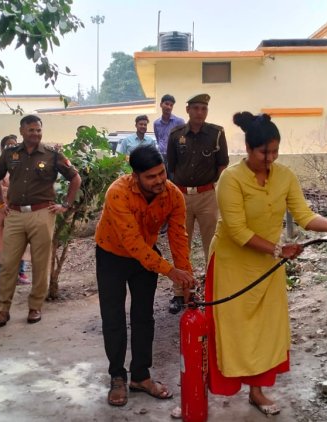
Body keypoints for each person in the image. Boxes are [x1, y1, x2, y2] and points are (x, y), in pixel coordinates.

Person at [206, 112, 327, 416]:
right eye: (264, 152)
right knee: (232, 330)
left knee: (265, 329)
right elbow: (237, 231)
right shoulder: (230, 179)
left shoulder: (284, 175)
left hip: (268, 264)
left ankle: (256, 392)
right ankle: (202, 391)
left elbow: (304, 215)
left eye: (275, 151)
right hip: (232, 265)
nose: (270, 158)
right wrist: (278, 249)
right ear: (249, 149)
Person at [95, 145, 195, 407]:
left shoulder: (173, 195)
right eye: (151, 177)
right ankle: (117, 376)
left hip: (146, 257)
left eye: (161, 173)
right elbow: (132, 243)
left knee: (143, 317)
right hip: (111, 255)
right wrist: (170, 271)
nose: (159, 180)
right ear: (135, 176)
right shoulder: (118, 193)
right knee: (113, 316)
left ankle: (140, 375)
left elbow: (178, 238)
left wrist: (185, 278)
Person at [0, 115, 81, 328]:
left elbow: (75, 178)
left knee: (40, 264)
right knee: (8, 264)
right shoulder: (10, 154)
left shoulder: (52, 154)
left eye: (38, 130)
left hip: (42, 215)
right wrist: (1, 205)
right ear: (22, 131)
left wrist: (65, 205)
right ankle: (2, 309)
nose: (36, 133)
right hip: (14, 215)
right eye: (31, 130)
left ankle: (35, 307)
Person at [166, 93, 229, 314]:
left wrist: (217, 190)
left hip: (207, 196)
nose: (200, 112)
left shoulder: (217, 133)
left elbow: (222, 166)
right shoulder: (176, 135)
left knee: (212, 245)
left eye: (204, 108)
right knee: (180, 245)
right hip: (181, 197)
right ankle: (180, 293)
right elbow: (171, 168)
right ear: (188, 110)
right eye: (196, 108)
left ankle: (215, 290)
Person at [0, 135, 30, 293]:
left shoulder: (24, 169)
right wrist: (2, 201)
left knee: (21, 241)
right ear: (2, 149)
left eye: (14, 145)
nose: (11, 148)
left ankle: (20, 273)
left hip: (20, 210)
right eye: (7, 146)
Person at [153, 94, 185, 166]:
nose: (169, 107)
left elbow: (183, 140)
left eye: (171, 105)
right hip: (161, 156)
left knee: (173, 177)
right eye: (166, 104)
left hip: (174, 156)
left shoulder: (179, 122)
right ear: (161, 104)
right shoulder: (156, 123)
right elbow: (158, 139)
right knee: (162, 176)